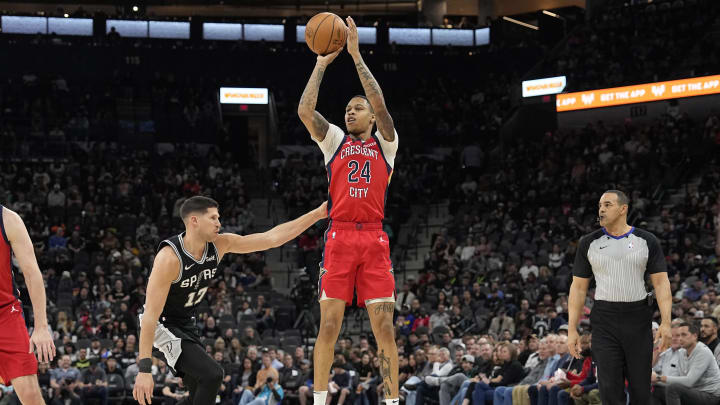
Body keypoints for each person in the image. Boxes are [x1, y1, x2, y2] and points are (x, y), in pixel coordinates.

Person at [133, 196, 328, 405]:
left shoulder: (219, 244)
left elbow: (271, 238)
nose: (219, 223)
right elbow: (150, 316)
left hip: (184, 324)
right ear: (194, 221)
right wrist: (144, 370)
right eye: (213, 218)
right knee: (213, 375)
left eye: (219, 217)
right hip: (159, 327)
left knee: (199, 390)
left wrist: (317, 213)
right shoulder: (169, 258)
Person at [297, 16, 400, 405]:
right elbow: (306, 111)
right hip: (340, 235)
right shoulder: (335, 141)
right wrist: (321, 64)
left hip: (374, 237)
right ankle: (321, 400)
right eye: (347, 109)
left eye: (358, 108)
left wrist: (356, 56)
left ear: (372, 118)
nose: (350, 113)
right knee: (329, 326)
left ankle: (391, 400)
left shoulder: (386, 144)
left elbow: (381, 103)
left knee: (384, 328)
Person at [568, 190, 673, 405]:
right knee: (608, 387)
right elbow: (578, 288)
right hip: (604, 319)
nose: (602, 209)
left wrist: (666, 322)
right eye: (600, 205)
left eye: (607, 205)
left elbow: (661, 283)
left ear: (623, 208)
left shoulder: (646, 240)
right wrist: (571, 329)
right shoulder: (589, 243)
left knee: (640, 389)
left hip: (638, 318)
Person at [0, 205, 56, 404]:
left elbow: (32, 273)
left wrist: (41, 327)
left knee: (31, 395)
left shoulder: (8, 219)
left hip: (6, 315)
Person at [652, 322, 720, 404]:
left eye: (683, 335)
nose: (680, 338)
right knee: (656, 388)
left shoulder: (703, 351)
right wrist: (654, 381)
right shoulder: (682, 352)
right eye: (679, 335)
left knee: (673, 388)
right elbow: (681, 380)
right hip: (694, 391)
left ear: (695, 336)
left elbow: (689, 382)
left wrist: (658, 378)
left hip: (711, 396)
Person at [651, 324, 687, 405]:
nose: (674, 339)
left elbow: (684, 381)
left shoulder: (685, 353)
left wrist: (657, 379)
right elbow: (655, 369)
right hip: (659, 388)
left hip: (676, 391)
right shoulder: (666, 352)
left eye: (677, 336)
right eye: (672, 336)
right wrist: (657, 351)